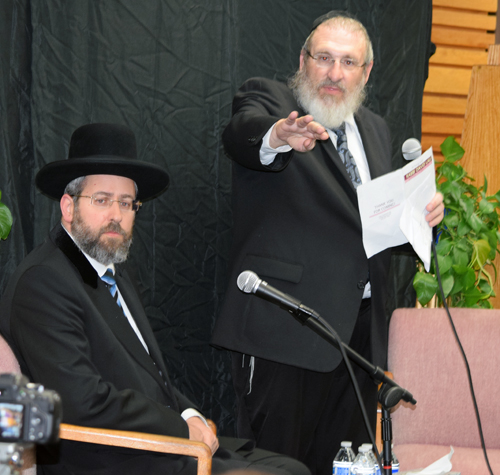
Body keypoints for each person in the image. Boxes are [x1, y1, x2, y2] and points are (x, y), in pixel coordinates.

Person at [0, 123, 310, 475]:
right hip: (108, 459)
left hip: (158, 447)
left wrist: (191, 415)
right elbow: (79, 402)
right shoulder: (44, 281)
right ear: (68, 207)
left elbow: (148, 376)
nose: (116, 215)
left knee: (292, 468)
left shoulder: (111, 270)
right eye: (101, 200)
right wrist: (180, 428)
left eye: (127, 203)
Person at [211, 11, 444, 475]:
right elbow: (244, 134)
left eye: (348, 62)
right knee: (278, 466)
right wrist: (278, 135)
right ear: (304, 60)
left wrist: (421, 219)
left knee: (346, 465)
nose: (335, 74)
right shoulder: (272, 100)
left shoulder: (375, 129)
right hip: (288, 330)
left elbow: (372, 224)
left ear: (367, 72)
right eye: (324, 58)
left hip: (359, 338)